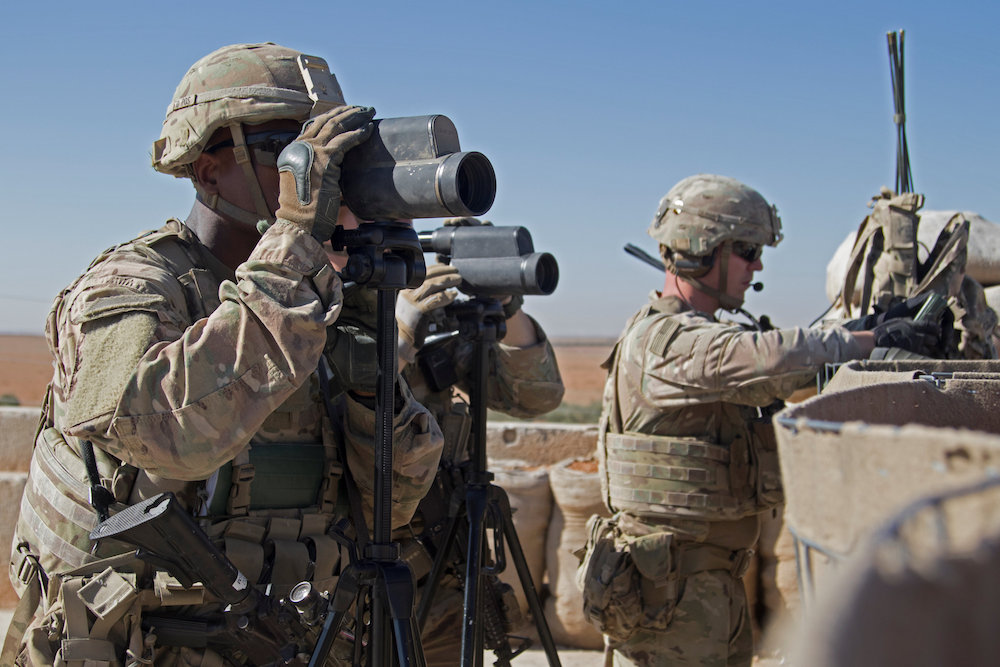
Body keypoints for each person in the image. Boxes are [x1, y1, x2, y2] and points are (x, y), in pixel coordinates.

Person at [5, 42, 444, 666]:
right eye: (286, 151)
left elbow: (390, 509)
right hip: (149, 645)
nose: (314, 173)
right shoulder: (133, 285)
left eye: (327, 154)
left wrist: (374, 395)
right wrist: (296, 244)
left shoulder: (312, 296)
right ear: (207, 169)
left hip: (295, 638)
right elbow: (163, 436)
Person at [577, 174, 942, 666]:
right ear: (702, 248)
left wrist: (864, 330)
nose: (758, 265)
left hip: (703, 589)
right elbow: (766, 359)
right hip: (666, 602)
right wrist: (866, 341)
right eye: (747, 250)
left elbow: (771, 372)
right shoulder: (664, 340)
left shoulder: (700, 341)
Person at [324, 215, 565, 665]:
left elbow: (537, 396)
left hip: (442, 577)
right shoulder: (318, 308)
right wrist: (400, 335)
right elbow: (327, 412)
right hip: (351, 585)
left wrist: (502, 302)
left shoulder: (432, 316)